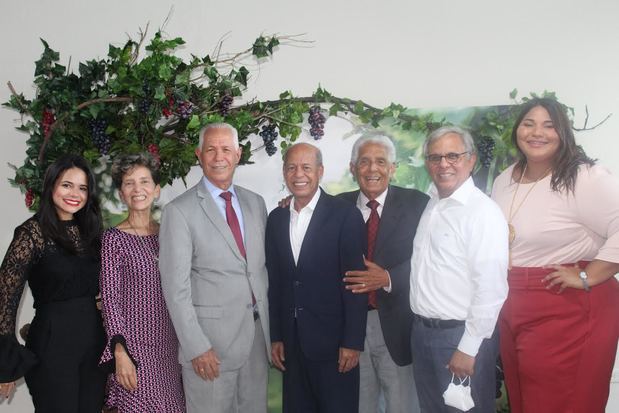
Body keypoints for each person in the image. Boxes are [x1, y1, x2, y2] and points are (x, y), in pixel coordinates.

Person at [491, 98, 619, 413]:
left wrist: (589, 275)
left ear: (563, 132)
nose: (537, 132)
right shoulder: (505, 179)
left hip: (567, 305)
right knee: (524, 403)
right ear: (517, 129)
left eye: (549, 125)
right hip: (513, 302)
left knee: (560, 404)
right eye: (529, 123)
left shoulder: (584, 177)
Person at [159, 123, 270, 413]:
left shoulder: (256, 204)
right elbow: (175, 289)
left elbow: (259, 270)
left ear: (238, 154)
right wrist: (196, 346)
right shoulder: (179, 211)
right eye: (211, 149)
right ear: (199, 155)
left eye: (225, 149)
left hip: (257, 341)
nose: (218, 157)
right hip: (210, 348)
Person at [409, 126, 508, 412]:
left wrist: (468, 347)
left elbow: (491, 289)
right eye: (435, 157)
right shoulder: (433, 205)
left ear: (471, 159)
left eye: (453, 155)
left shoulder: (482, 213)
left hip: (460, 338)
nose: (443, 164)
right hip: (423, 334)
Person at [0, 154, 107, 412]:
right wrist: (5, 364)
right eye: (66, 185)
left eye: (82, 188)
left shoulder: (93, 231)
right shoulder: (31, 233)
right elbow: (5, 299)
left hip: (95, 346)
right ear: (51, 186)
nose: (75, 194)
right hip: (52, 345)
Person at [267, 142, 367, 413]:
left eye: (306, 167)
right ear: (284, 172)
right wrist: (276, 336)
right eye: (291, 167)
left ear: (320, 171)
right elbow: (275, 283)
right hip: (291, 344)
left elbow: (356, 283)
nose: (298, 174)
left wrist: (352, 342)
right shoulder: (275, 219)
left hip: (335, 346)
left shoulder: (345, 215)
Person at [341, 135, 427, 413]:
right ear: (353, 168)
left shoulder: (419, 204)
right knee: (359, 406)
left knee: (402, 406)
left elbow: (430, 259)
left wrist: (388, 278)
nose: (372, 169)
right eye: (364, 162)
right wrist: (288, 204)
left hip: (398, 327)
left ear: (393, 167)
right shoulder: (334, 207)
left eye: (380, 161)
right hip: (349, 331)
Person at [99, 153, 184, 412]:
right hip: (134, 349)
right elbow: (110, 301)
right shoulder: (113, 239)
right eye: (129, 183)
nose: (138, 189)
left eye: (144, 181)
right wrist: (120, 352)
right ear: (122, 194)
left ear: (156, 189)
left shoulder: (170, 233)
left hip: (171, 348)